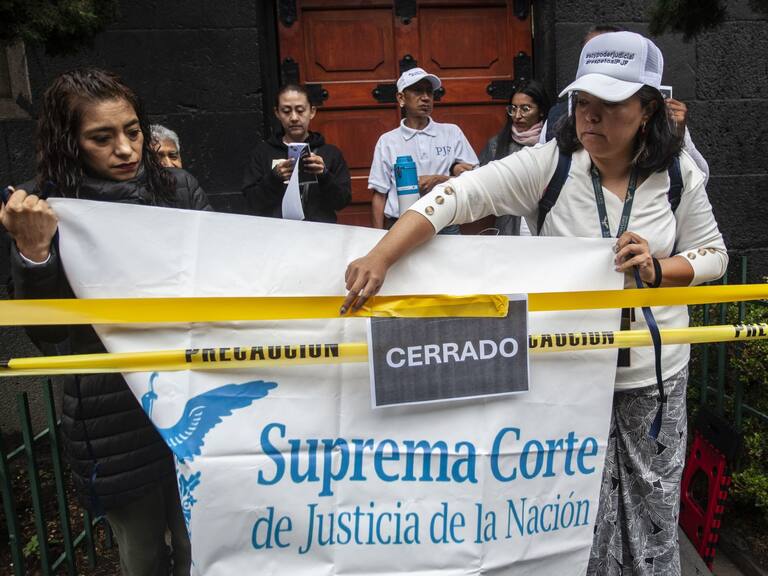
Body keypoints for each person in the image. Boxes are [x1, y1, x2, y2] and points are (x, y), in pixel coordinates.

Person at [341, 32, 727, 575]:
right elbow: (458, 196)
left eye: (610, 106)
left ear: (647, 109)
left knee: (654, 510)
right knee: (571, 510)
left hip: (654, 377)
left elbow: (714, 255)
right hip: (569, 372)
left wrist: (661, 268)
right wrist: (383, 254)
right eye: (583, 103)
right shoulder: (551, 164)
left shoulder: (677, 175)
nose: (591, 118)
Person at [0, 67, 210, 576]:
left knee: (202, 546)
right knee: (141, 554)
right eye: (102, 137)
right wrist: (34, 253)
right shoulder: (39, 210)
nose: (125, 149)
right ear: (69, 142)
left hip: (193, 399)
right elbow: (47, 335)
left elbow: (220, 286)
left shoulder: (177, 189)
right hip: (110, 414)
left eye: (133, 131)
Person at [368, 67, 478, 234]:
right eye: (418, 91)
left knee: (450, 261)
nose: (426, 97)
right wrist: (375, 236)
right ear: (401, 98)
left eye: (430, 92)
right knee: (404, 262)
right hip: (400, 224)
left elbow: (474, 178)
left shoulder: (451, 132)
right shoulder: (388, 141)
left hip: (444, 223)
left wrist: (439, 179)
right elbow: (379, 194)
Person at [241, 83, 351, 223]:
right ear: (277, 113)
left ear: (312, 112)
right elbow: (251, 203)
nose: (293, 118)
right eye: (286, 111)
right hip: (276, 235)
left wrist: (324, 175)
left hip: (319, 235)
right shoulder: (262, 153)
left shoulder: (330, 153)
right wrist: (274, 178)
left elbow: (342, 202)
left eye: (300, 110)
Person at [479, 79, 551, 235]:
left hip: (547, 225)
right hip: (509, 226)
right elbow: (483, 188)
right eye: (513, 109)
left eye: (526, 109)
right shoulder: (496, 145)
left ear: (541, 110)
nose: (518, 115)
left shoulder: (552, 143)